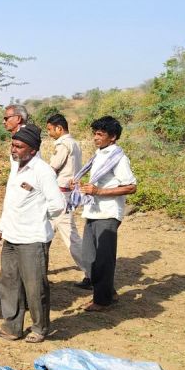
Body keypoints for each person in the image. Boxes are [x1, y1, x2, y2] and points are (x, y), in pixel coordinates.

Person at [0, 124, 66, 343]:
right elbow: (10, 203)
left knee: (35, 287)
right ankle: (12, 327)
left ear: (32, 150)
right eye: (13, 145)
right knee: (9, 283)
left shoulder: (42, 171)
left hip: (33, 239)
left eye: (19, 147)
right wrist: (0, 228)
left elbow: (58, 205)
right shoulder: (16, 166)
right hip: (11, 237)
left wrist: (39, 217)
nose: (14, 150)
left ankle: (40, 328)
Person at [70, 116, 137, 311]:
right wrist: (82, 186)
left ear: (113, 137)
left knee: (103, 259)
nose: (95, 138)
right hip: (94, 211)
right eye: (95, 134)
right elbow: (98, 184)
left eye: (100, 134)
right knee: (90, 257)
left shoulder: (119, 158)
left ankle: (102, 300)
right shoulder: (100, 155)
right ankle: (108, 293)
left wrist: (99, 192)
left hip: (107, 213)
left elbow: (131, 187)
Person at [45, 113, 87, 282]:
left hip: (60, 195)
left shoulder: (63, 144)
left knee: (71, 237)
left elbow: (52, 169)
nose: (49, 133)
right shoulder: (74, 143)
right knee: (43, 233)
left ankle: (93, 273)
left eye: (50, 129)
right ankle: (37, 269)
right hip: (68, 193)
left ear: (59, 128)